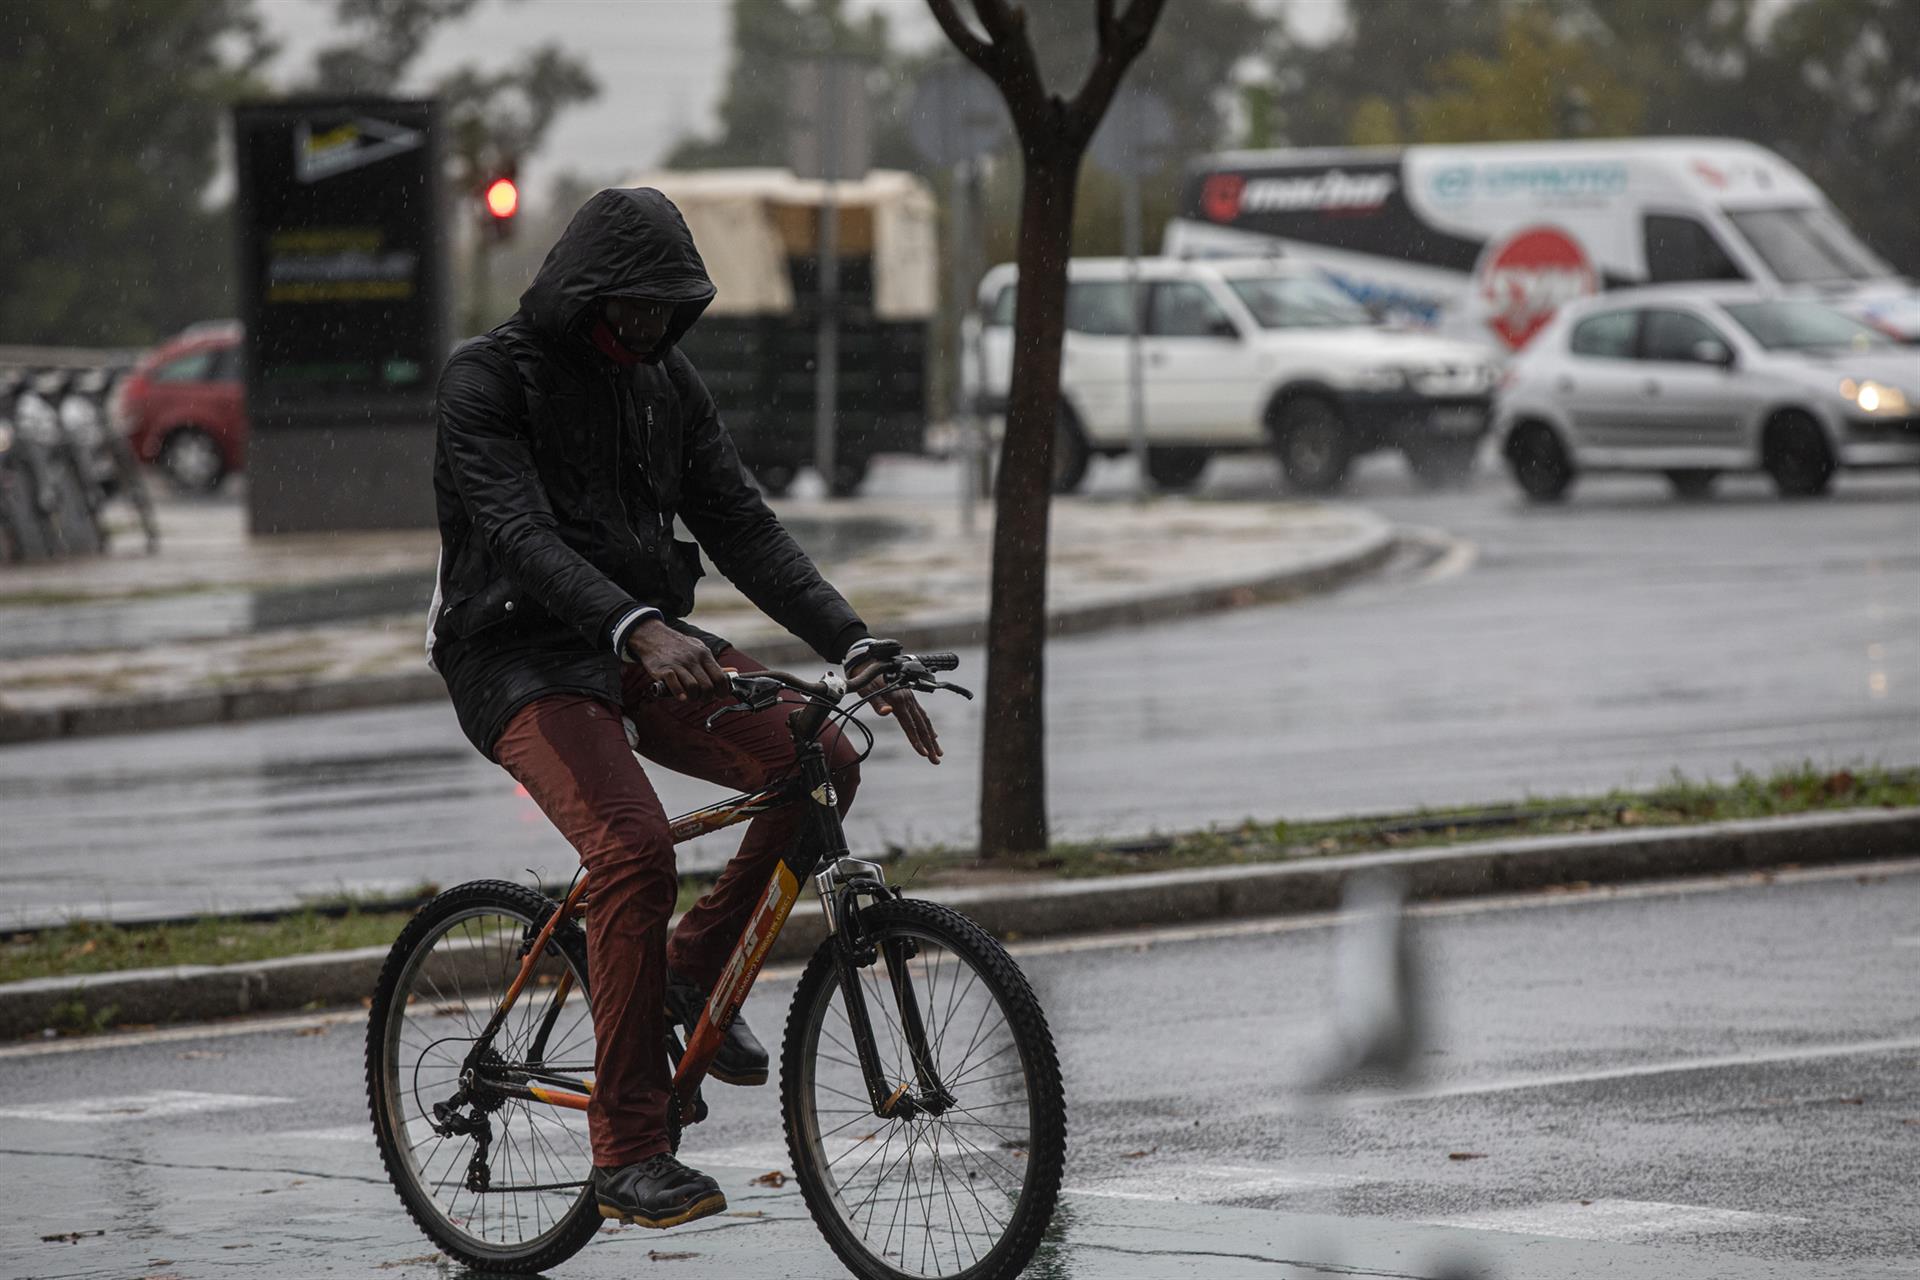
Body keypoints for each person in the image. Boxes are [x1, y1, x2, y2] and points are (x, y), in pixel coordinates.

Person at [425, 187, 941, 1230]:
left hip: (641, 639)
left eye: (671, 309)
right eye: (637, 307)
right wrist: (633, 626)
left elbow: (743, 525)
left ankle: (688, 973)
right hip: (517, 654)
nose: (653, 327)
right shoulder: (488, 380)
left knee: (823, 751)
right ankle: (626, 1146)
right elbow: (521, 534)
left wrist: (853, 641)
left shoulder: (665, 382)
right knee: (632, 847)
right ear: (585, 292)